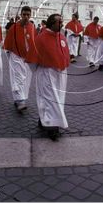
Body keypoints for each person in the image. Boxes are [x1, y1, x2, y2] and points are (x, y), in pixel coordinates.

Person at [31, 13, 70, 141]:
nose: (62, 24)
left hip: (60, 74)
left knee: (57, 99)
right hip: (47, 73)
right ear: (51, 23)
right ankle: (53, 127)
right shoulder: (41, 38)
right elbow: (33, 59)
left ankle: (45, 120)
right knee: (50, 99)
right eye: (59, 22)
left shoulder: (62, 37)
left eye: (62, 21)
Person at [3, 6, 38, 111]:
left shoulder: (32, 27)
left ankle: (19, 98)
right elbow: (8, 42)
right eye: (24, 15)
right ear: (21, 15)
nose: (26, 17)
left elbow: (34, 41)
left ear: (30, 15)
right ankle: (20, 101)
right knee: (18, 77)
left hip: (28, 57)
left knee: (26, 79)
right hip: (16, 56)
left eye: (28, 15)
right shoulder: (14, 27)